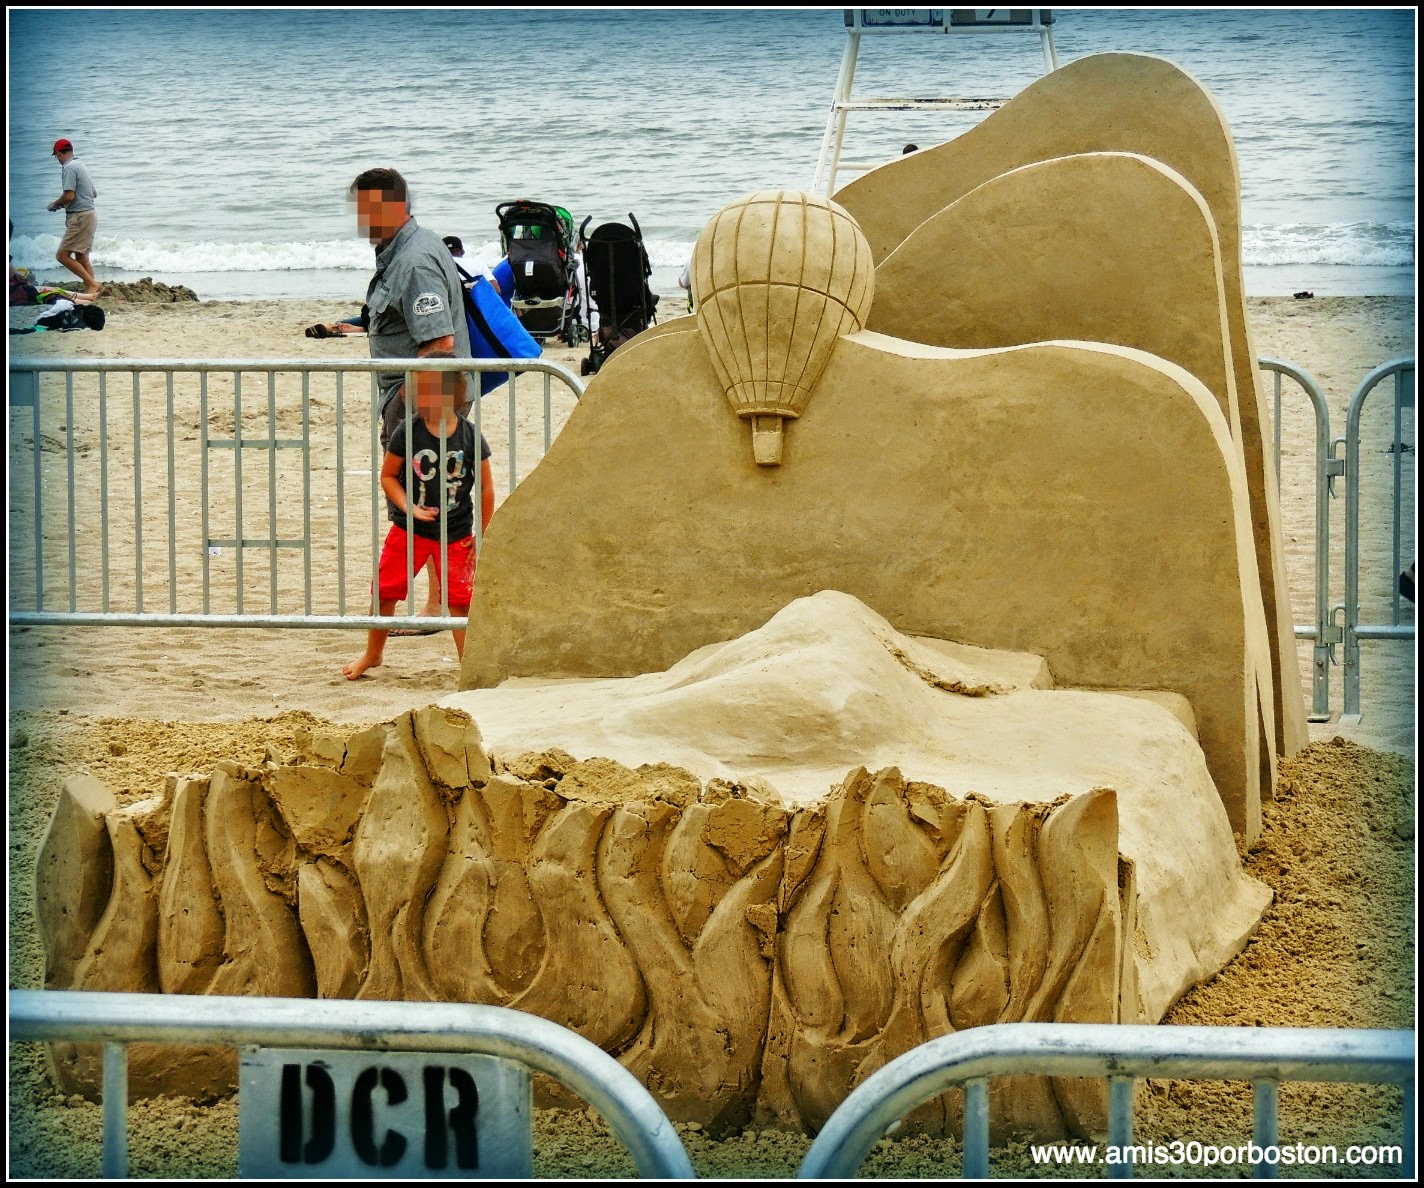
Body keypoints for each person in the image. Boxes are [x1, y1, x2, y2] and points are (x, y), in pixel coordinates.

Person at [350, 165, 488, 624]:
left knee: (425, 504)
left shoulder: (414, 260)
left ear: (393, 208)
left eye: (367, 210)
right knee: (429, 500)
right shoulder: (403, 250)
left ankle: (437, 603)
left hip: (421, 399)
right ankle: (437, 602)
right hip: (419, 396)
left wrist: (414, 409)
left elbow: (439, 343)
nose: (360, 220)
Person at [343, 360, 492, 680]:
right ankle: (373, 654)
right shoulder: (407, 431)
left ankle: (468, 667)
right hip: (408, 530)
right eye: (417, 391)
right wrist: (408, 507)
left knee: (461, 602)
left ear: (453, 394)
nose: (419, 399)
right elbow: (388, 477)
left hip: (457, 534)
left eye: (428, 391)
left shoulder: (469, 436)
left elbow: (486, 486)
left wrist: (486, 532)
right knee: (384, 591)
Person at [46, 138, 101, 299]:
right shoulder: (80, 164)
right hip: (90, 214)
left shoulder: (69, 167)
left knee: (62, 255)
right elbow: (94, 193)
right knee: (82, 257)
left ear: (58, 153)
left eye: (56, 156)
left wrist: (55, 204)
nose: (57, 159)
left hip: (80, 217)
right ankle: (93, 291)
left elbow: (69, 196)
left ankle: (92, 284)